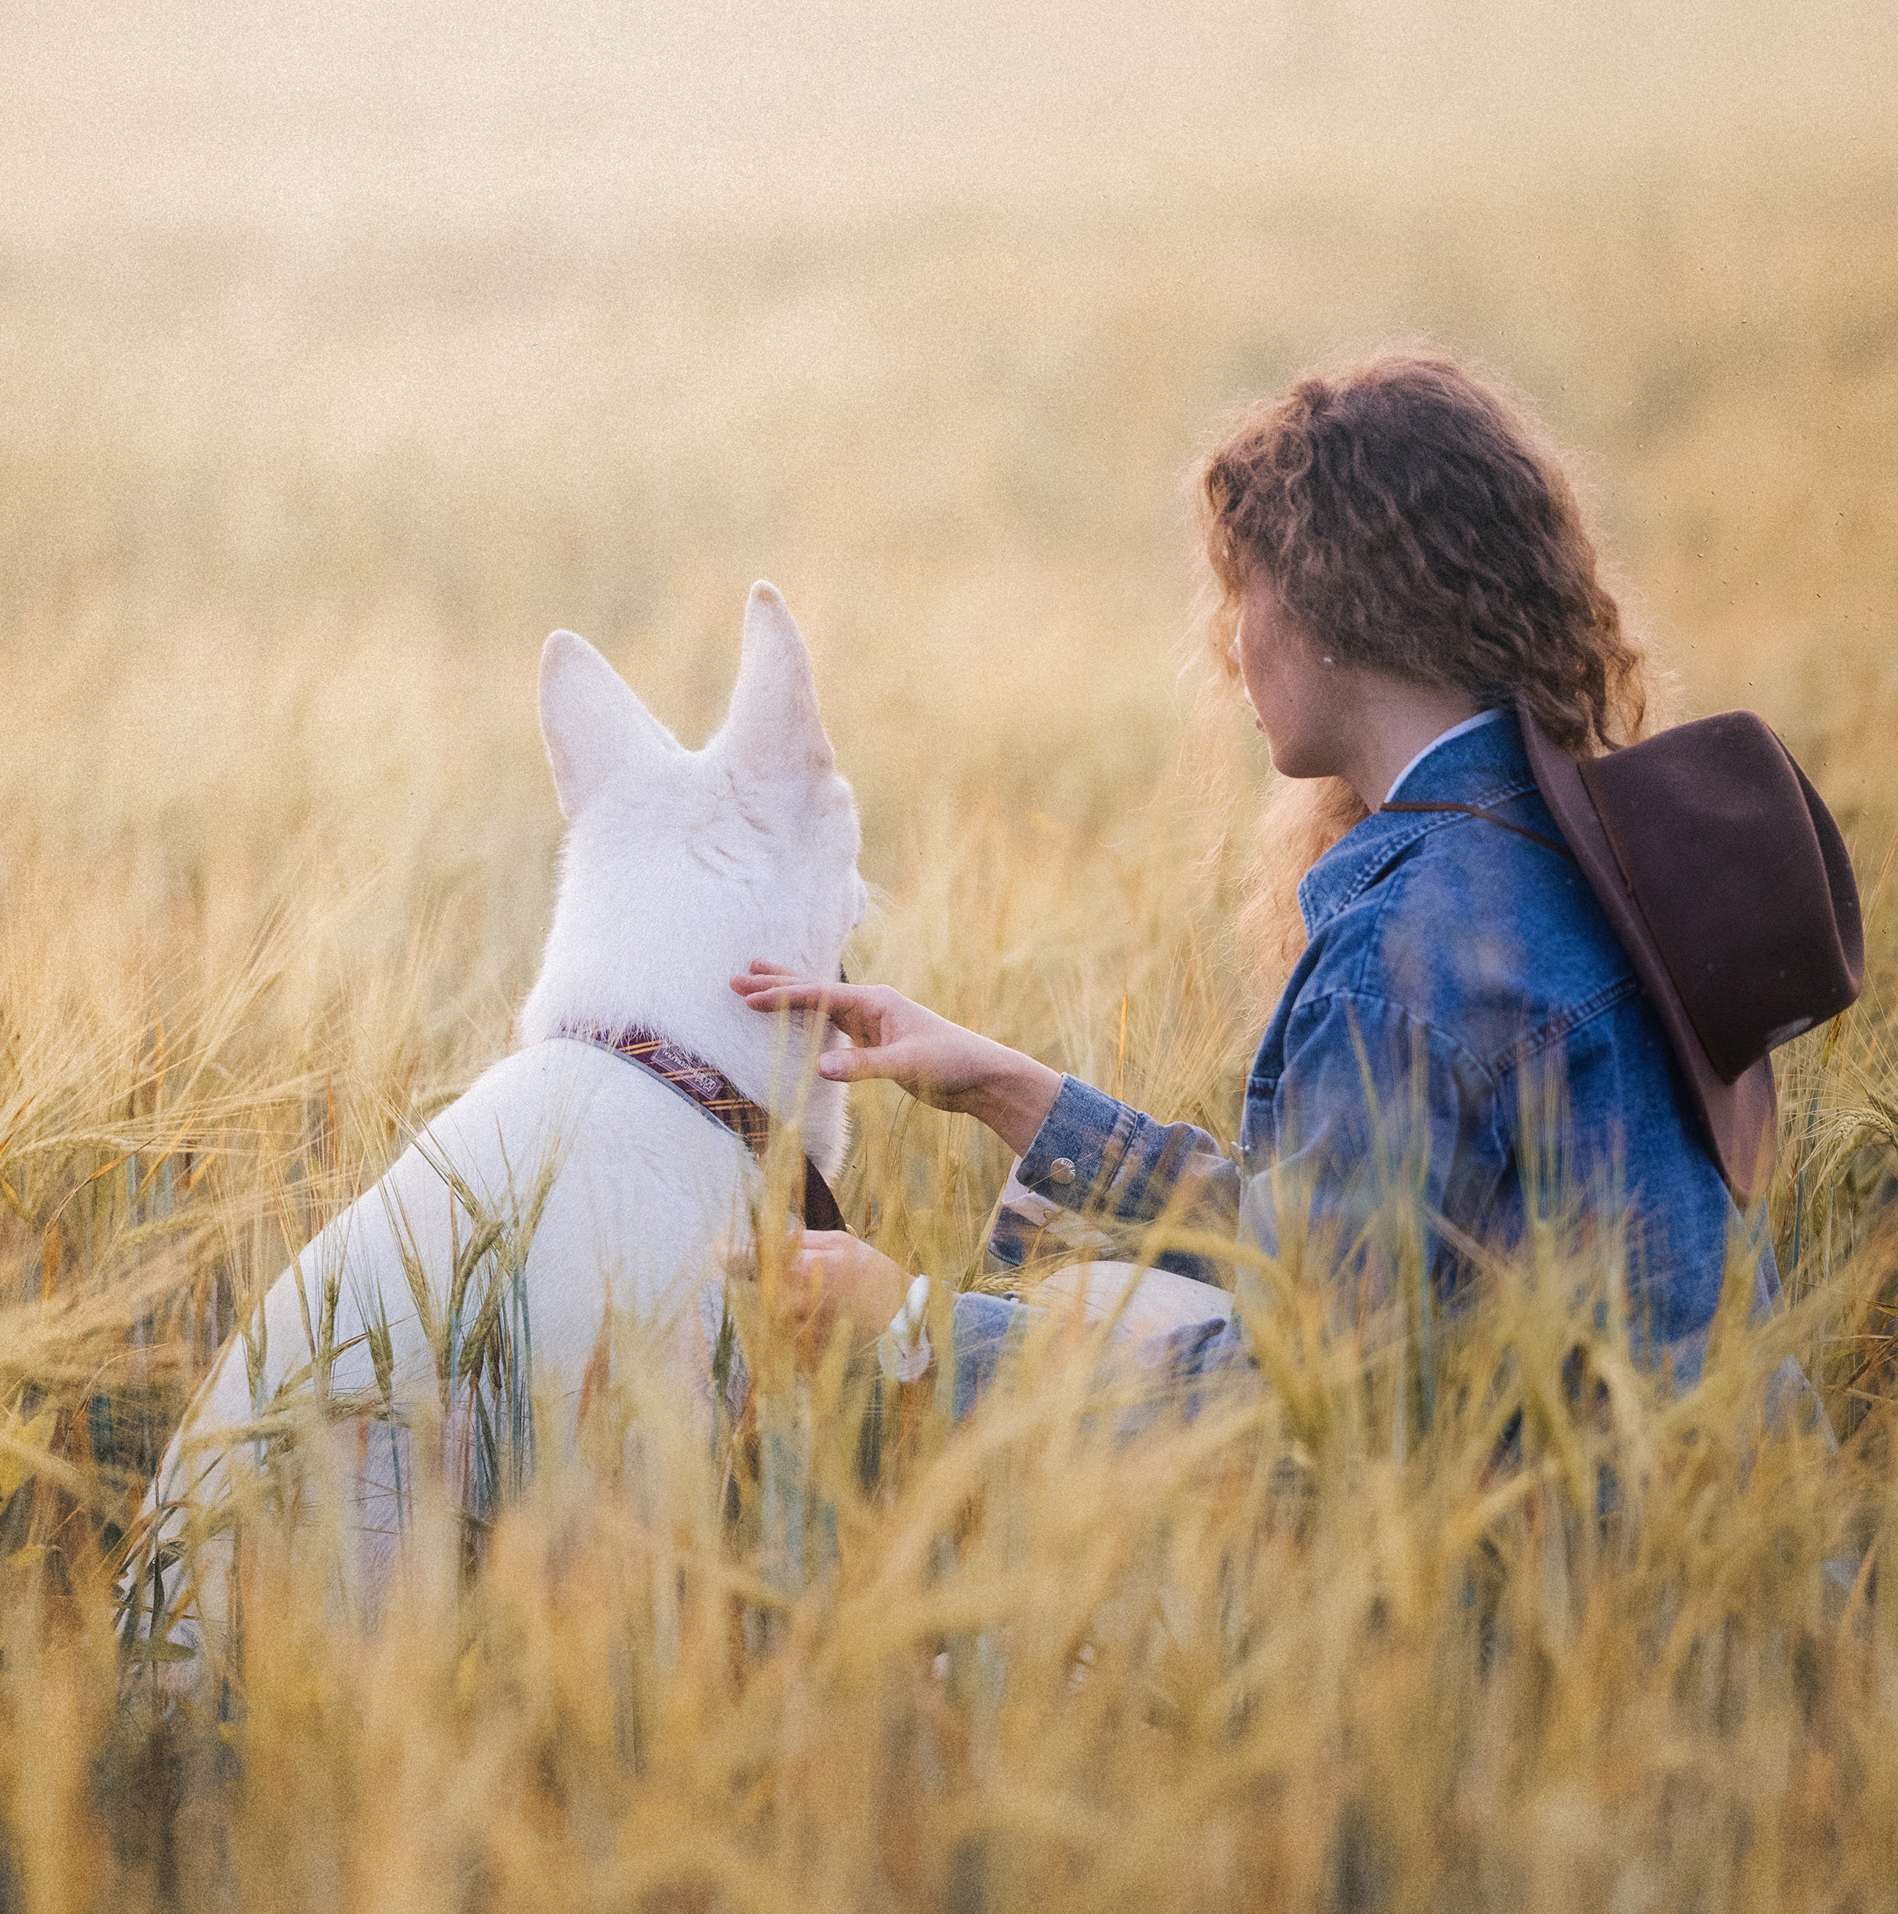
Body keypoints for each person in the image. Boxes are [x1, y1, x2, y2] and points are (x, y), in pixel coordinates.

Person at [733, 350, 1778, 1413]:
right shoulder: (1568, 841)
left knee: (1080, 1322)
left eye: (1245, 593)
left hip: (1560, 1564)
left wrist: (911, 1322)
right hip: (1724, 1520)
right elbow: (1339, 1248)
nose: (1231, 647)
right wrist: (1008, 1088)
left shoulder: (1403, 952)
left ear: (1333, 609)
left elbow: (1287, 1389)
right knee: (1098, 1297)